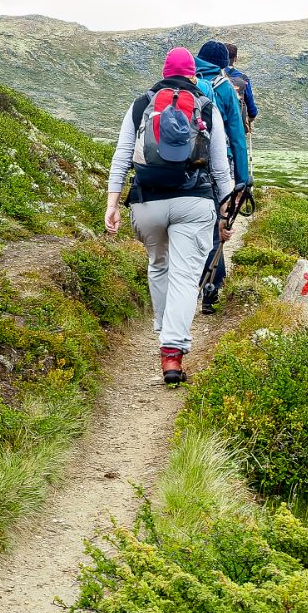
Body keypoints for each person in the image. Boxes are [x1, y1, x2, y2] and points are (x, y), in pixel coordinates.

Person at [105, 47, 235, 385]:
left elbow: (122, 156)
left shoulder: (140, 105)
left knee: (158, 265)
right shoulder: (207, 107)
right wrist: (225, 213)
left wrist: (113, 204)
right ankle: (172, 352)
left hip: (147, 203)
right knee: (184, 276)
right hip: (194, 202)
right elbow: (221, 169)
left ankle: (165, 332)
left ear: (164, 72)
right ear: (193, 75)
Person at [192, 41, 251, 309]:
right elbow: (237, 137)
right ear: (224, 64)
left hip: (182, 165)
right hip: (217, 164)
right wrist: (242, 179)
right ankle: (211, 288)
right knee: (216, 223)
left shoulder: (184, 82)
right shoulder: (225, 88)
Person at [222, 40, 257, 132]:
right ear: (235, 58)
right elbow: (249, 101)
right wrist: (251, 117)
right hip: (237, 123)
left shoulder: (214, 75)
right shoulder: (243, 78)